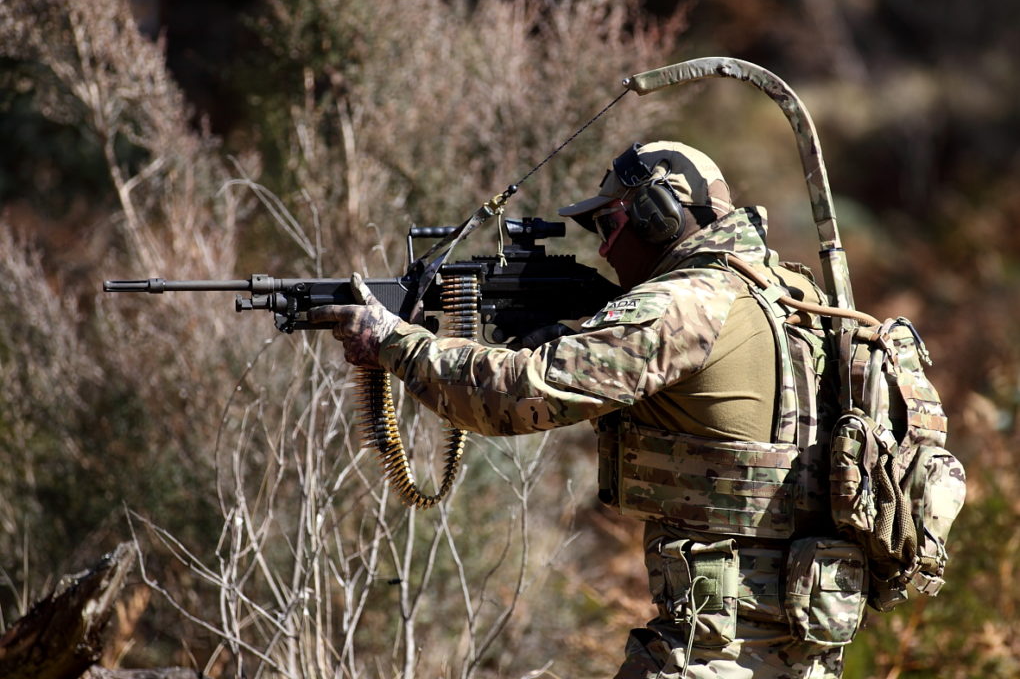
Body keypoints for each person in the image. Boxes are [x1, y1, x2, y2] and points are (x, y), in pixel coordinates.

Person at [311, 141, 865, 678]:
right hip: (803, 636)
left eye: (609, 226)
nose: (601, 249)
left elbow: (518, 395)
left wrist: (394, 343)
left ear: (658, 216)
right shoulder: (789, 290)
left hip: (716, 649)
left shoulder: (687, 304)